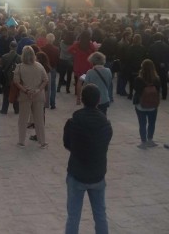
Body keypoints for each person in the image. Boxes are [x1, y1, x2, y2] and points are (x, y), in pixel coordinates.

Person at [63, 84, 113, 234]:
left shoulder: (72, 122)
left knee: (73, 216)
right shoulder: (106, 124)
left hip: (77, 173)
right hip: (97, 174)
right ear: (98, 100)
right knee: (100, 215)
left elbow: (67, 144)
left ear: (82, 99)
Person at [14, 46, 49, 149]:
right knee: (39, 120)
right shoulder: (39, 66)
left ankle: (21, 142)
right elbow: (46, 80)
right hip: (38, 95)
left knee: (23, 120)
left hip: (25, 96)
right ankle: (42, 142)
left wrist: (26, 90)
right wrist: (38, 90)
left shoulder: (19, 67)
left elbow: (16, 82)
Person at [132, 59, 161, 149]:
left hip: (141, 105)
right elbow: (158, 90)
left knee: (142, 123)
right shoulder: (156, 79)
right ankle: (150, 139)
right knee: (152, 123)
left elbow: (136, 90)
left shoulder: (138, 79)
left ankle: (143, 141)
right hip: (152, 105)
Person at [0, 41, 21, 115]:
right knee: (15, 94)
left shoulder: (4, 56)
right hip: (15, 80)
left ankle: (4, 109)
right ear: (16, 47)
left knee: (6, 95)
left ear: (10, 46)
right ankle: (17, 110)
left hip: (6, 79)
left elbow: (1, 68)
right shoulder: (19, 57)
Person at [41, 33, 60, 109]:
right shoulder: (56, 49)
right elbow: (57, 60)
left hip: (44, 68)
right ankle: (53, 103)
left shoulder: (42, 48)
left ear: (46, 39)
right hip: (53, 68)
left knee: (43, 86)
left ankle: (44, 102)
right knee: (52, 86)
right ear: (53, 40)